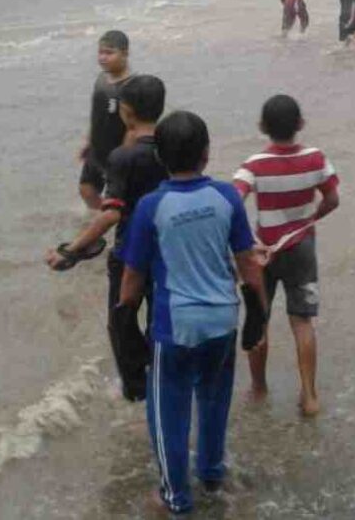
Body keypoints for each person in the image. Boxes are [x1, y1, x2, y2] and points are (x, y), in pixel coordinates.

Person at [119, 111, 267, 514]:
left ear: (161, 159)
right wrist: (259, 315)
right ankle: (213, 473)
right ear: (206, 154)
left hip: (176, 328)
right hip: (223, 321)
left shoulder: (152, 206)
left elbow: (132, 279)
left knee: (169, 411)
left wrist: (125, 326)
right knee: (214, 400)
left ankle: (175, 496)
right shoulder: (226, 197)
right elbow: (248, 264)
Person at [46, 75, 168, 401]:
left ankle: (135, 390)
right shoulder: (173, 147)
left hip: (130, 253)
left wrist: (71, 250)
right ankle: (163, 376)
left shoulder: (123, 158)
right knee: (160, 318)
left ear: (126, 111)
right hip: (169, 250)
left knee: (121, 321)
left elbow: (112, 213)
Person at [233, 95, 340, 416]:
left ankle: (259, 387)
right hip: (302, 247)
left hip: (262, 252)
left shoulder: (253, 165)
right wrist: (309, 220)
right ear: (301, 124)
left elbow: (233, 203)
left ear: (262, 127)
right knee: (303, 321)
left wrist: (250, 241)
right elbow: (333, 199)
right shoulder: (316, 159)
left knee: (259, 319)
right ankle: (309, 395)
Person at [79, 31, 135, 211]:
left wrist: (124, 157)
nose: (103, 58)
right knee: (86, 189)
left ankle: (113, 220)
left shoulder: (130, 87)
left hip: (116, 154)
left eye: (109, 53)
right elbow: (97, 114)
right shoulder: (101, 79)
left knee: (117, 199)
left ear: (125, 53)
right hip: (97, 149)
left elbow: (132, 128)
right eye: (100, 52)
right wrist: (88, 141)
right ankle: (99, 221)